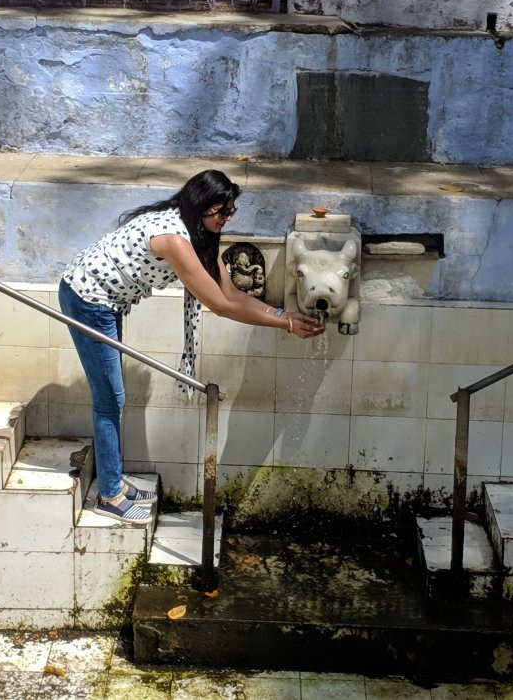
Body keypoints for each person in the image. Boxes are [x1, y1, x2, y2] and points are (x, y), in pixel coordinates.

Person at [59, 170, 325, 524]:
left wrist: (283, 315)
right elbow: (220, 305)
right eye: (220, 212)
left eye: (230, 212)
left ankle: (115, 479)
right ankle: (109, 494)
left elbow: (229, 293)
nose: (226, 219)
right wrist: (285, 324)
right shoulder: (174, 239)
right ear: (200, 206)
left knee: (113, 396)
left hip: (107, 302)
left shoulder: (200, 232)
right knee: (110, 399)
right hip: (87, 300)